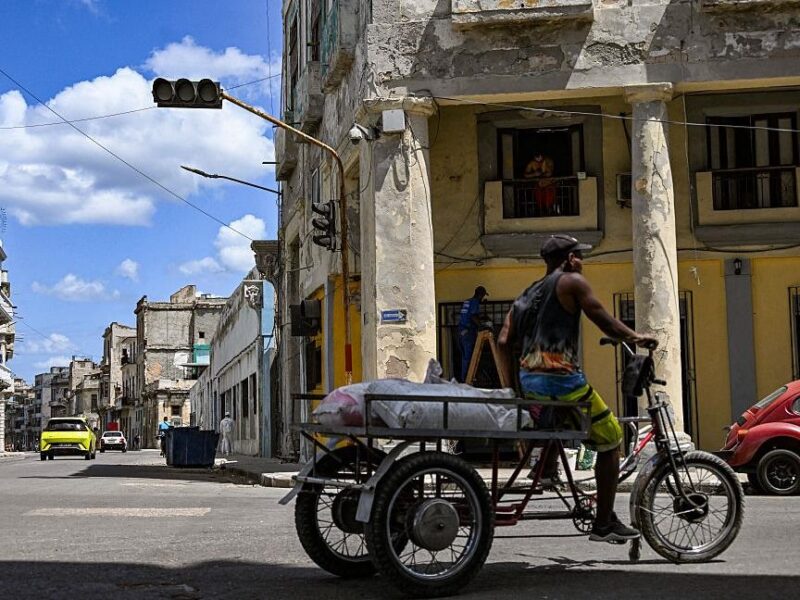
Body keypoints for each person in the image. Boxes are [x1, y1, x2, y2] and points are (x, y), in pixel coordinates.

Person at [497, 234, 658, 544]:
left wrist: (512, 388)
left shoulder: (526, 294)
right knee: (611, 439)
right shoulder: (571, 282)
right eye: (579, 256)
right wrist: (637, 338)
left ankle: (545, 469)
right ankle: (603, 524)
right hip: (562, 381)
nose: (581, 262)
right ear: (569, 259)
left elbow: (504, 341)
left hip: (531, 383)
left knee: (561, 422)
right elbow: (604, 320)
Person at [457, 286, 488, 382]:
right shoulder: (475, 302)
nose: (482, 298)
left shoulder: (467, 301)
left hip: (461, 331)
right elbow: (473, 316)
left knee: (465, 357)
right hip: (468, 332)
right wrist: (481, 326)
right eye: (482, 296)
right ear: (480, 294)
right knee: (470, 357)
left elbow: (468, 315)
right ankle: (468, 379)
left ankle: (465, 378)